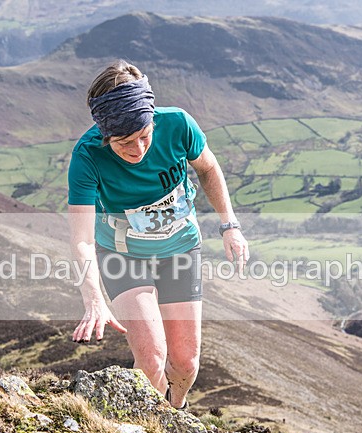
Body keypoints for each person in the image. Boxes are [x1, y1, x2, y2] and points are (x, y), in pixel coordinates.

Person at [67, 60, 248, 409]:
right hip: (124, 257)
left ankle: (174, 410)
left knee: (184, 363)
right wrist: (93, 299)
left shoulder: (178, 124)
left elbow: (209, 168)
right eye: (123, 143)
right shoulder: (87, 155)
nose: (137, 150)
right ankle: (145, 430)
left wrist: (230, 225)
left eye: (144, 137)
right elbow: (82, 239)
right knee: (151, 359)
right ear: (105, 137)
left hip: (180, 249)